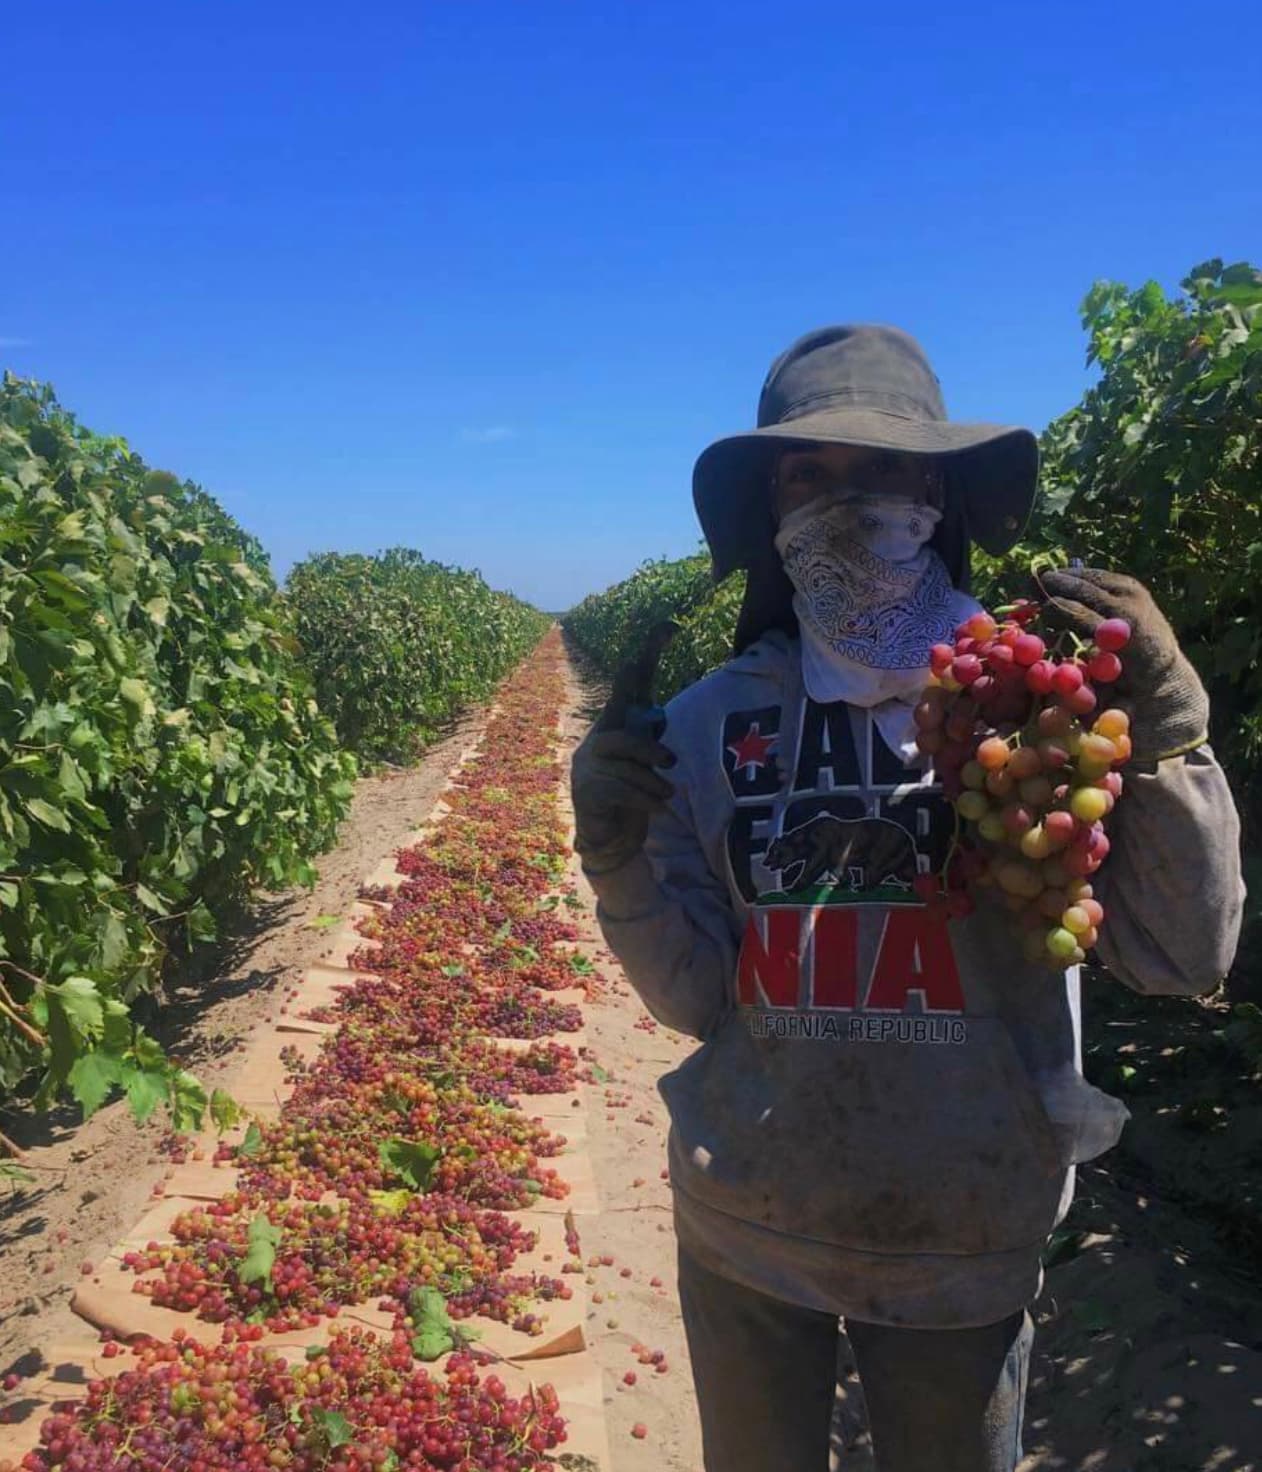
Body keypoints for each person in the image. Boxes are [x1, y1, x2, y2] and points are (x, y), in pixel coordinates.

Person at [569, 324, 1245, 1472]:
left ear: (935, 492)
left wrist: (1170, 734)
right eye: (810, 472)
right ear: (771, 514)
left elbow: (1183, 955)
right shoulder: (703, 722)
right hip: (745, 1226)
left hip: (962, 1240)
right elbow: (692, 999)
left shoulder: (1045, 710)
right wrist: (614, 852)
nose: (852, 498)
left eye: (885, 467)